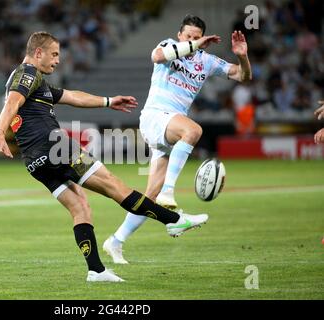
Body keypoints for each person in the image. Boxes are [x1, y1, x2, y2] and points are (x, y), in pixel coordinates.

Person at [0, 31, 211, 282]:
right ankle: (175, 220)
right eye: (53, 54)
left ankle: (96, 270)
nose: (57, 60)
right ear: (38, 53)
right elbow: (12, 103)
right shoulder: (27, 73)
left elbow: (72, 96)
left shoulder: (35, 82)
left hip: (35, 161)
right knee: (115, 186)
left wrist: (108, 101)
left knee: (80, 207)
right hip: (56, 147)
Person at [104, 15, 252, 264]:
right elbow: (157, 57)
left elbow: (243, 76)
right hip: (155, 117)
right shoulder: (167, 45)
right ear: (180, 35)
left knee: (149, 195)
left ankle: (116, 241)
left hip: (169, 125)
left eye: (197, 37)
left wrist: (242, 56)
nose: (192, 40)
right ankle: (170, 192)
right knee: (193, 131)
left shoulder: (207, 61)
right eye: (188, 37)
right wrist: (195, 45)